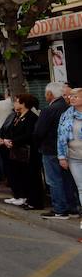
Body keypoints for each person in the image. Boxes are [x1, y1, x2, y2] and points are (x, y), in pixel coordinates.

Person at [34, 82, 79, 219]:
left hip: (50, 149)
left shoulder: (49, 110)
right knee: (67, 180)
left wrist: (38, 144)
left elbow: (39, 131)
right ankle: (72, 207)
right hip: (67, 149)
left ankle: (60, 209)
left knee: (54, 180)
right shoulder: (68, 107)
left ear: (49, 94)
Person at [0, 94, 43, 210]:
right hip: (19, 153)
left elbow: (29, 135)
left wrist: (13, 141)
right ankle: (28, 199)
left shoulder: (31, 117)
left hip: (29, 153)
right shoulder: (18, 116)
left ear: (23, 104)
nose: (15, 103)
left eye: (17, 101)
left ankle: (35, 202)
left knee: (32, 177)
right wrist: (7, 140)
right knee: (24, 177)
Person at [57, 88, 82, 228]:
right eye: (71, 96)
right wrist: (62, 157)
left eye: (76, 96)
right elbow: (60, 136)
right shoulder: (66, 115)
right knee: (81, 189)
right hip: (73, 157)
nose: (72, 98)